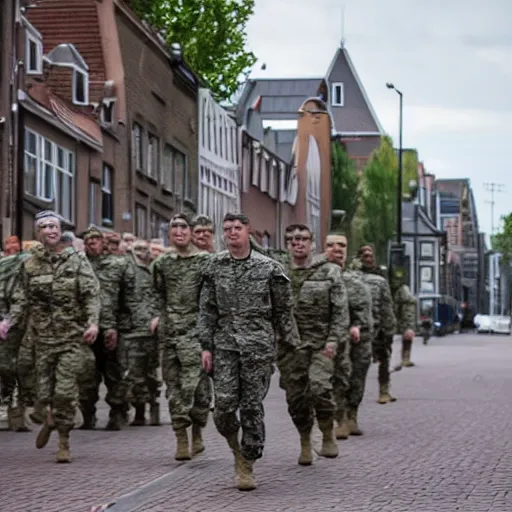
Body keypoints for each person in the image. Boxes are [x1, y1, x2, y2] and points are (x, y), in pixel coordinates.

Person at [198, 212, 297, 491]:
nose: (231, 233)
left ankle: (247, 463)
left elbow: (283, 312)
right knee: (224, 407)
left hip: (258, 348)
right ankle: (235, 448)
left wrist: (287, 347)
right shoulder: (213, 267)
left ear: (248, 231)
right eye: (227, 229)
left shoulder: (270, 269)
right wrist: (205, 346)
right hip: (225, 345)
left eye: (237, 228)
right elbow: (206, 310)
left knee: (252, 407)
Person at [0, 211, 100, 462]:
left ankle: (63, 442)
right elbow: (21, 299)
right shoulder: (29, 264)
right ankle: (50, 417)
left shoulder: (76, 260)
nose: (50, 230)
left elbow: (91, 294)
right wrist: (8, 321)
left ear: (60, 230)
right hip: (41, 339)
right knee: (43, 396)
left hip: (70, 337)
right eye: (44, 226)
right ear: (38, 233)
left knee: (65, 391)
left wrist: (93, 324)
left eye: (54, 226)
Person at [278, 225, 348, 465]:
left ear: (312, 244)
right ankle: (305, 441)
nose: (298, 243)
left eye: (303, 239)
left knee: (319, 387)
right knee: (296, 399)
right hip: (290, 347)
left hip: (320, 345)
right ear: (287, 245)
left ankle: (327, 432)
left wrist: (333, 340)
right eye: (293, 240)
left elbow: (340, 310)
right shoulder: (278, 274)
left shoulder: (329, 272)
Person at [151, 214, 212, 459]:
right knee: (173, 387)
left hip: (196, 336)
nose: (178, 231)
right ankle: (181, 438)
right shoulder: (162, 263)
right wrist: (156, 316)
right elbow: (155, 294)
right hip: (170, 336)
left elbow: (213, 301)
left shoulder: (205, 262)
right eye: (173, 226)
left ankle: (197, 430)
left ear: (191, 232)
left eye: (183, 227)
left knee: (197, 390)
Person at [79, 227, 135, 430]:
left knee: (115, 374)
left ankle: (118, 413)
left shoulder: (118, 265)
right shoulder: (79, 266)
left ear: (103, 242)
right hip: (85, 329)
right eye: (88, 240)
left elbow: (128, 300)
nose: (92, 243)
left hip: (111, 329)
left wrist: (119, 329)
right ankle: (87, 414)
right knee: (86, 374)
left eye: (96, 239)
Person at [325, 233, 373, 438]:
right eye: (331, 245)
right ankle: (339, 418)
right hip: (328, 336)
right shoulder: (317, 276)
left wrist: (358, 326)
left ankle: (352, 414)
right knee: (336, 377)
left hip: (356, 337)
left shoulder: (355, 280)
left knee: (357, 375)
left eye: (342, 245)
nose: (337, 249)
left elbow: (363, 308)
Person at [124, 239, 161, 426]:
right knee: (134, 372)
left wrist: (158, 316)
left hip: (152, 329)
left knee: (151, 372)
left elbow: (162, 296)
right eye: (137, 249)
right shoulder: (127, 270)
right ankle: (139, 409)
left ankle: (153, 404)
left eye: (144, 249)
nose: (141, 252)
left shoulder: (156, 270)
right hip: (132, 329)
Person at [356, 245, 397, 404]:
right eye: (365, 256)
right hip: (360, 328)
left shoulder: (380, 278)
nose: (368, 258)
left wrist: (389, 329)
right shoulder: (352, 277)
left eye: (370, 255)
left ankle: (384, 391)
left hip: (379, 327)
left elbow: (386, 305)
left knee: (384, 359)